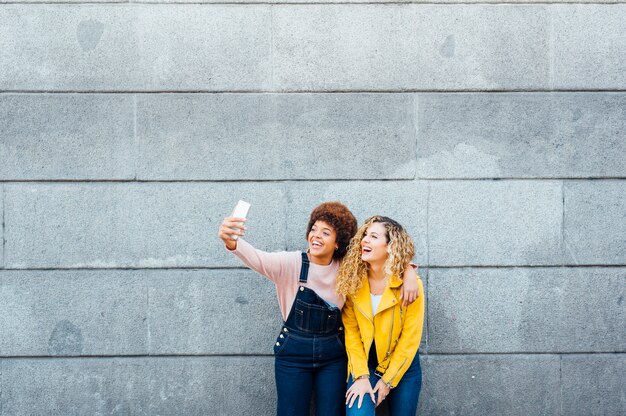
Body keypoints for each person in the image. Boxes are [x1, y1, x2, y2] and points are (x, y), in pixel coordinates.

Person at [218, 202, 420, 416]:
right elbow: (257, 257)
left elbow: (383, 262)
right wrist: (232, 242)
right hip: (293, 356)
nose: (316, 236)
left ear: (337, 242)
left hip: (333, 358)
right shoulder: (289, 264)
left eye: (326, 232)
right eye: (313, 229)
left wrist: (409, 271)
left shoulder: (347, 269)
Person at [337, 216, 425, 416]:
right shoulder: (353, 283)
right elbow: (351, 333)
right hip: (364, 363)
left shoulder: (410, 285)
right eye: (365, 235)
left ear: (390, 247)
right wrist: (360, 376)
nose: (364, 240)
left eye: (373, 237)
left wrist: (387, 381)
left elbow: (410, 339)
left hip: (403, 366)